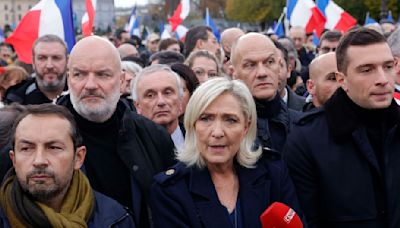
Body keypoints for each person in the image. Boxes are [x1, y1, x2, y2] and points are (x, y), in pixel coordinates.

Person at [284, 28, 400, 227]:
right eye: (367, 70)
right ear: (342, 79)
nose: (382, 79)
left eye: (388, 66)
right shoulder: (307, 140)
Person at [150, 77, 302, 228]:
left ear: (246, 127)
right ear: (193, 125)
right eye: (206, 119)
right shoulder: (171, 190)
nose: (217, 132)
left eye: (230, 120)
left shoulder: (273, 172)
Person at [57, 35, 175, 227]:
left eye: (102, 74)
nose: (91, 85)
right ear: (69, 79)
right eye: (80, 74)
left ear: (121, 81)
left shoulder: (152, 135)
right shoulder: (42, 137)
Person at [0, 104, 135, 227]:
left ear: (78, 157)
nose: (39, 160)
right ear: (14, 159)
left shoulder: (115, 219)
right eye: (26, 148)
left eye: (53, 147)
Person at [231, 33, 298, 152]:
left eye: (269, 62)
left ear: (279, 66)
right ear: (234, 73)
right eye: (250, 65)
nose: (262, 73)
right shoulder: (225, 132)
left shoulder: (303, 126)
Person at [132, 64, 185, 149]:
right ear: (138, 106)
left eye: (167, 93)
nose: (161, 102)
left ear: (180, 101)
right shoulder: (129, 149)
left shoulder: (199, 142)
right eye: (150, 95)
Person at [5, 35, 68, 105]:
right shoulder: (16, 98)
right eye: (42, 58)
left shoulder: (80, 93)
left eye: (56, 58)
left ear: (67, 61)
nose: (49, 65)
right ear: (33, 62)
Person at [274, 41, 306, 111]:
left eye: (279, 65)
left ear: (288, 70)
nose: (270, 73)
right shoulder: (246, 110)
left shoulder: (306, 108)